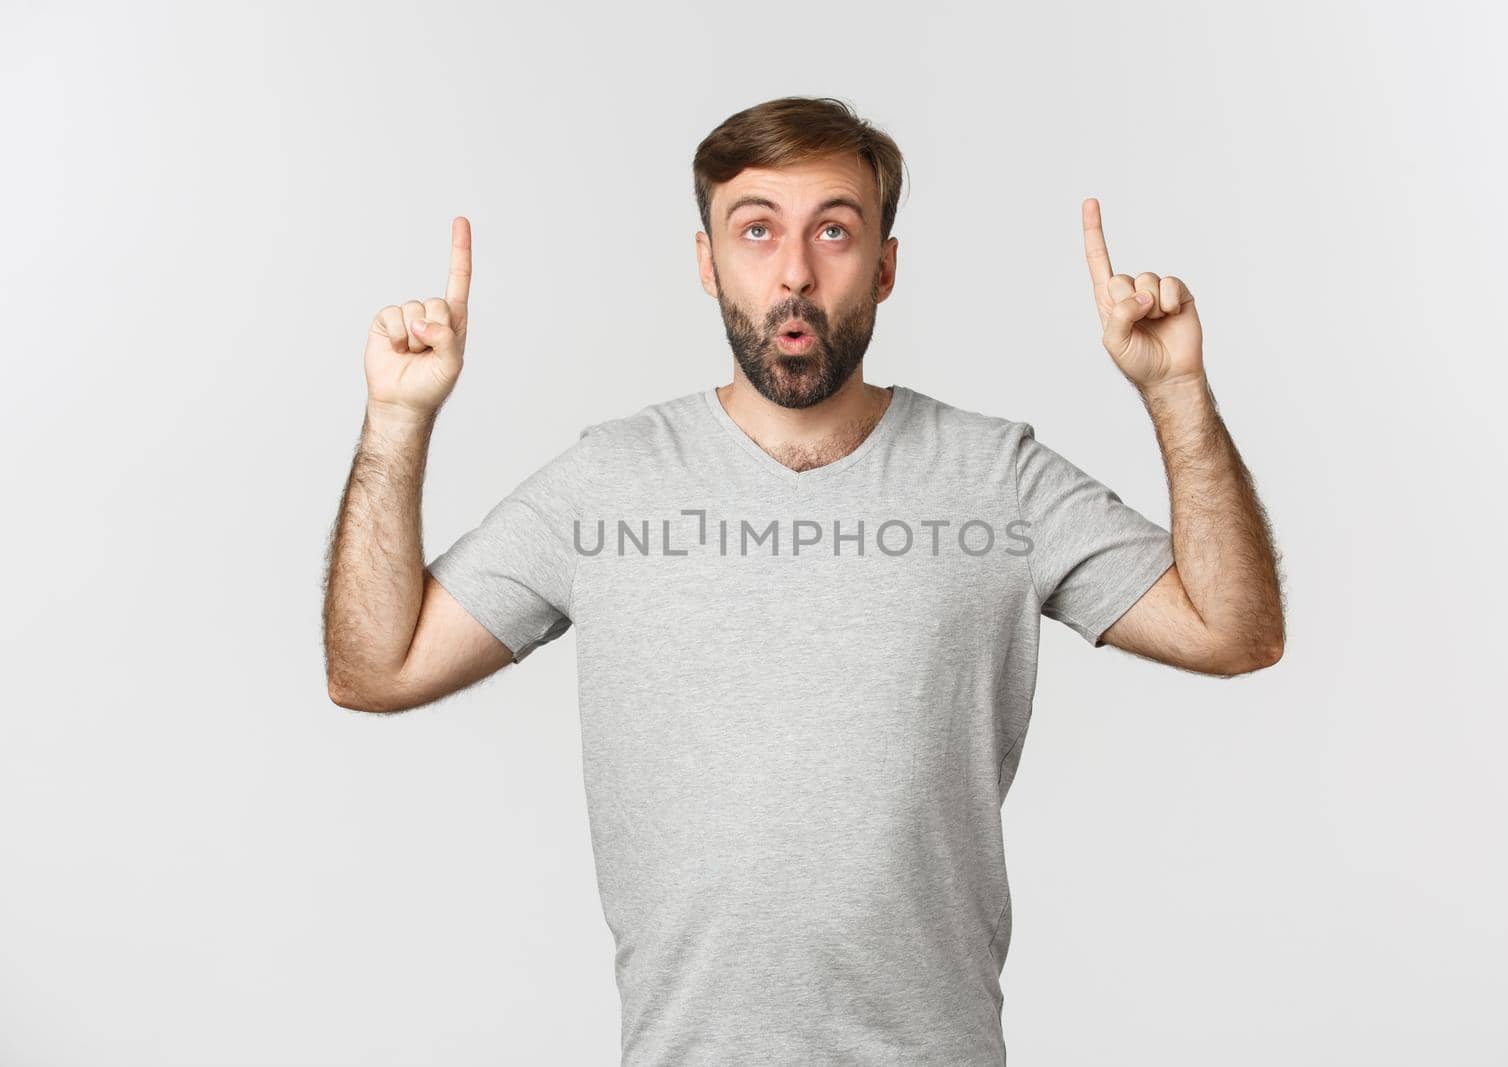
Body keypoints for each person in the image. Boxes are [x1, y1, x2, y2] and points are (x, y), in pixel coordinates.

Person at [322, 96, 1285, 1066]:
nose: (793, 272)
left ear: (885, 264)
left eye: (834, 229)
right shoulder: (607, 482)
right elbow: (376, 666)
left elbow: (1231, 629)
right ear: (706, 262)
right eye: (755, 230)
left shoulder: (998, 478)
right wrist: (398, 420)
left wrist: (1174, 392)